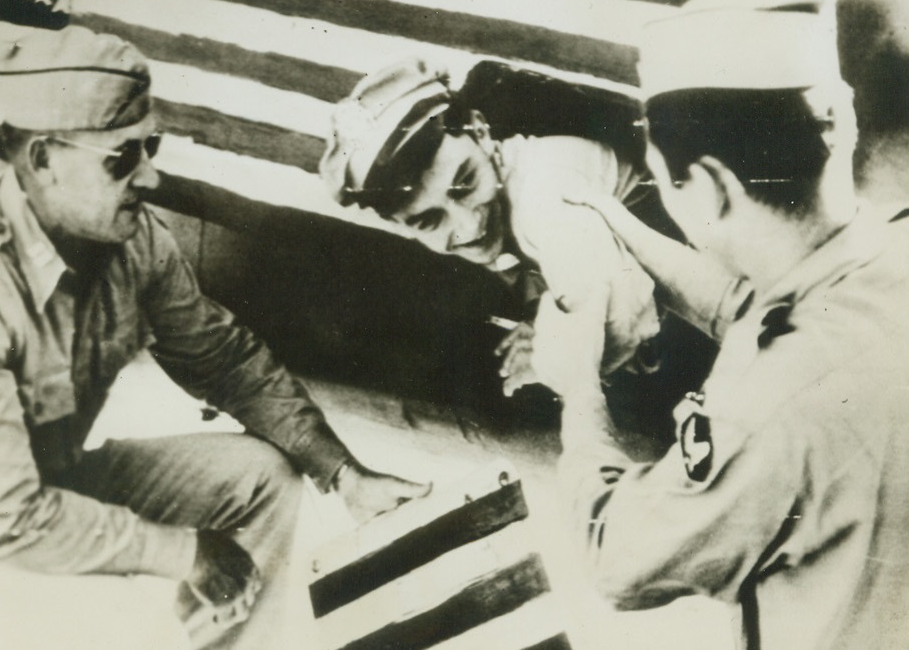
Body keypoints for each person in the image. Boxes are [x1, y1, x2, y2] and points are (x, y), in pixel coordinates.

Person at [0, 26, 428, 650]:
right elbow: (8, 520)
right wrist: (184, 552)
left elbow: (222, 358)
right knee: (130, 626)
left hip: (55, 486)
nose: (149, 175)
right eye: (121, 158)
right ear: (42, 161)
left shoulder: (129, 238)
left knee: (261, 477)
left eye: (152, 146)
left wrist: (344, 474)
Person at [524, 0, 909, 650]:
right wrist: (625, 229)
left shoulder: (770, 402)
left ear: (706, 187)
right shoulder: (885, 255)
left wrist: (577, 390)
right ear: (836, 127)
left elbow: (618, 563)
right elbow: (769, 313)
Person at [318, 60, 743, 398]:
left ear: (481, 132)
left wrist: (544, 357)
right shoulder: (509, 188)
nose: (467, 225)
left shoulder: (543, 191)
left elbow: (622, 318)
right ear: (400, 225)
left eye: (465, 183)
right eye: (429, 220)